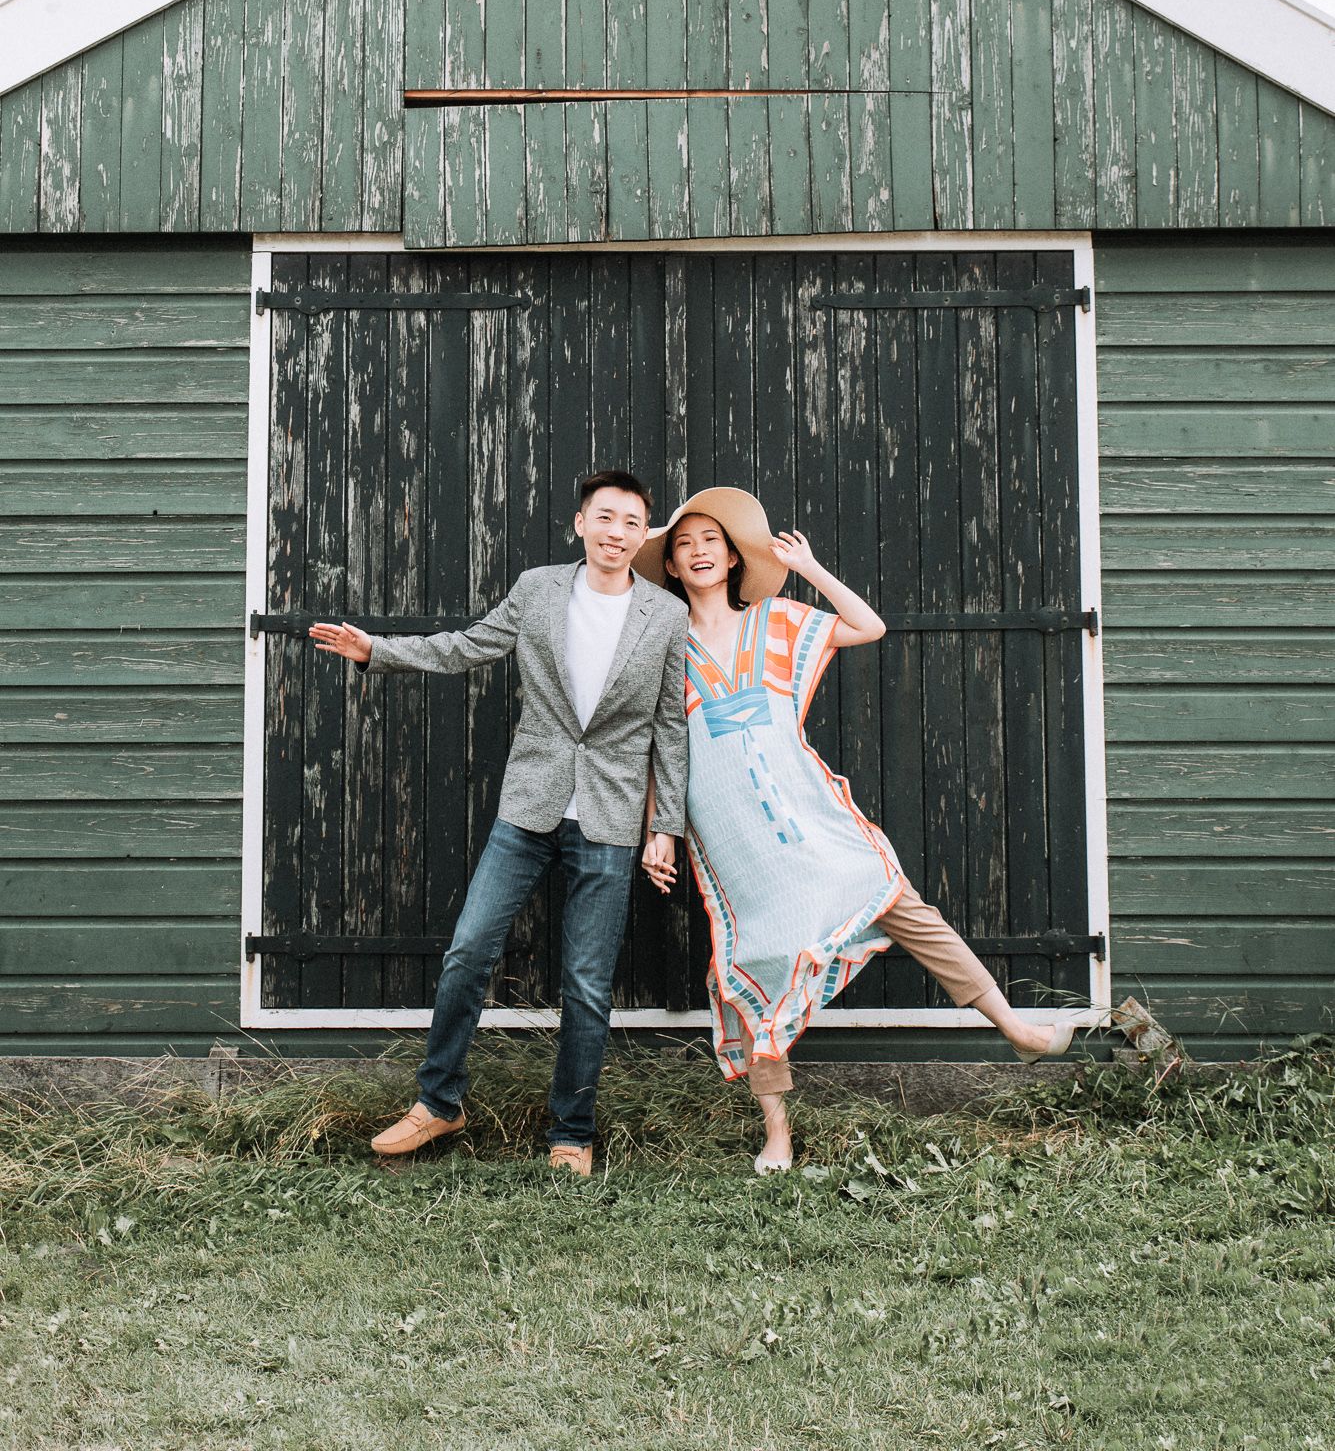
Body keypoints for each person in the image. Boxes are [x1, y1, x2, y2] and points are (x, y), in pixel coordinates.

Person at [635, 486, 1078, 1175]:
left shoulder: (777, 620)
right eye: (682, 545)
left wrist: (808, 568)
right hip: (734, 840)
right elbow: (656, 749)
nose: (696, 552)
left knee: (901, 904)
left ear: (732, 557)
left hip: (807, 815)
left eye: (709, 541)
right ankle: (776, 1132)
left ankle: (1015, 1028)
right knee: (754, 966)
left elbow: (867, 626)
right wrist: (657, 831)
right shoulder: (663, 649)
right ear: (669, 565)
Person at [310, 470, 687, 1177]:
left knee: (586, 985)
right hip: (529, 807)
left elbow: (670, 727)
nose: (617, 532)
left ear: (644, 535)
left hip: (608, 817)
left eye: (632, 522)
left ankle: (571, 1132)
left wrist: (664, 824)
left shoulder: (666, 616)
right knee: (467, 952)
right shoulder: (538, 589)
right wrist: (378, 651)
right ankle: (438, 1102)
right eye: (605, 517)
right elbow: (467, 646)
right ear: (581, 524)